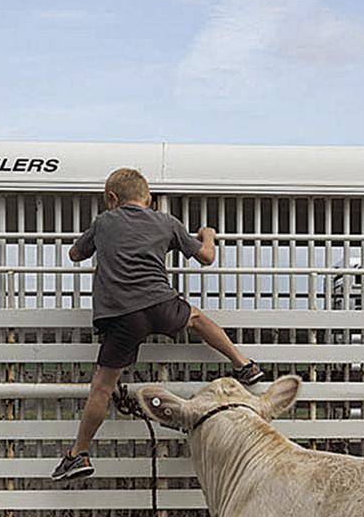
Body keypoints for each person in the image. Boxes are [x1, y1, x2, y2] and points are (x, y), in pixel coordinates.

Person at [50, 167, 262, 482]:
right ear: (148, 199)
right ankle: (243, 363)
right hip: (161, 304)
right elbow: (206, 256)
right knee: (196, 317)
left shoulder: (105, 222)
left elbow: (75, 254)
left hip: (122, 315)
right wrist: (208, 234)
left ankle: (78, 454)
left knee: (102, 387)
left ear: (112, 198)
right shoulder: (166, 222)